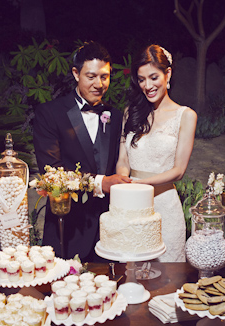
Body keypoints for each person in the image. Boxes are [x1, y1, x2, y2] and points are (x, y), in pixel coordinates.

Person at [33, 41, 131, 261]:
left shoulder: (114, 116)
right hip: (67, 229)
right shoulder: (50, 113)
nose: (99, 84)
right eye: (91, 76)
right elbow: (52, 172)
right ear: (76, 73)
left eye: (104, 76)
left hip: (108, 233)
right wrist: (100, 183)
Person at [116, 45, 197, 262]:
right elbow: (123, 159)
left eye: (153, 77)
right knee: (133, 276)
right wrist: (125, 183)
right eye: (141, 79)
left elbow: (179, 170)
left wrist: (141, 185)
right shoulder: (131, 113)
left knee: (167, 279)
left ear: (167, 73)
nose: (147, 86)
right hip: (132, 203)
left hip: (164, 207)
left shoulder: (185, 115)